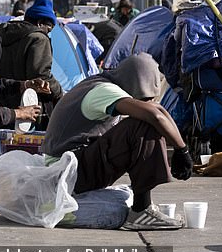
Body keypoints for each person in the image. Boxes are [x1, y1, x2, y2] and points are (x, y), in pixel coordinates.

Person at [41, 53, 194, 230]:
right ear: (134, 83)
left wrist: (183, 151)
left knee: (146, 120)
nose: (148, 103)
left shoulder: (109, 83)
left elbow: (157, 110)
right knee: (142, 126)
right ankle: (141, 211)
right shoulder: (103, 91)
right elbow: (154, 116)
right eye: (144, 99)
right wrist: (181, 149)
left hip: (72, 166)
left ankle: (143, 208)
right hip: (65, 173)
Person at [0, 0, 63, 114]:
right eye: (49, 29)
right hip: (24, 106)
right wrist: (59, 92)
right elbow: (41, 76)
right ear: (40, 23)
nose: (48, 34)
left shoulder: (1, 32)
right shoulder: (39, 39)